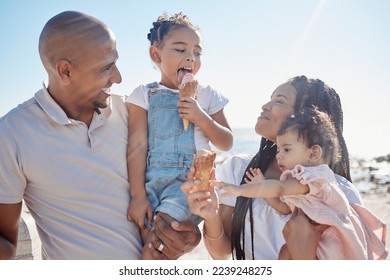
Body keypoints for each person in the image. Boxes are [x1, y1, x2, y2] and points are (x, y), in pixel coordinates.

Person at [0, 10, 201, 260]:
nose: (118, 77)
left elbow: (175, 179)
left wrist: (189, 235)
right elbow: (6, 243)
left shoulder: (134, 113)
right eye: (106, 67)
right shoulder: (12, 134)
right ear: (65, 71)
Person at [182, 75, 366, 260]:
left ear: (307, 118)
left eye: (279, 100)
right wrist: (211, 216)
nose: (265, 106)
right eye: (270, 98)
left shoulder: (338, 193)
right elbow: (220, 253)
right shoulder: (240, 169)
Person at [212, 107, 388, 259]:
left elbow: (279, 189)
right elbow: (284, 207)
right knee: (284, 254)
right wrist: (266, 195)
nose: (279, 155)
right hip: (309, 239)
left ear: (313, 154)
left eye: (287, 149)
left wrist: (240, 189)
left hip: (331, 241)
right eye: (279, 149)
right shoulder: (300, 180)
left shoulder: (315, 177)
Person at [125, 12, 233, 259]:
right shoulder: (143, 95)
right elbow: (137, 146)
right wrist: (138, 195)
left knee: (159, 240)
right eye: (180, 49)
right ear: (156, 55)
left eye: (197, 52)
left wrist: (201, 117)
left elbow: (226, 142)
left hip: (189, 183)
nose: (190, 57)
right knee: (147, 236)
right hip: (152, 180)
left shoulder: (208, 95)